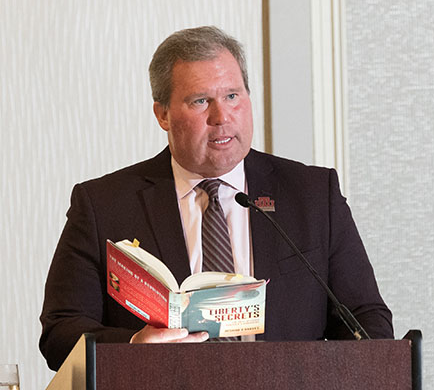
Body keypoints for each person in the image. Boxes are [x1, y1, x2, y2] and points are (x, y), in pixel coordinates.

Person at [40, 26, 393, 371]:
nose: (221, 117)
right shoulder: (105, 204)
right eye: (201, 101)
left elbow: (365, 319)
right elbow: (60, 332)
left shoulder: (312, 194)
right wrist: (133, 349)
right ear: (162, 114)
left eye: (232, 96)